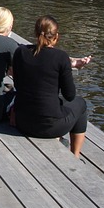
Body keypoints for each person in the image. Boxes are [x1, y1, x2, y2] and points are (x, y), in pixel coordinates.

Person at [11, 15, 89, 157]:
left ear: (36, 33)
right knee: (81, 104)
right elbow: (70, 95)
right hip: (50, 126)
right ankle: (75, 155)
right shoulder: (61, 57)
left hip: (23, 122)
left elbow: (18, 83)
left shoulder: (20, 52)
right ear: (56, 36)